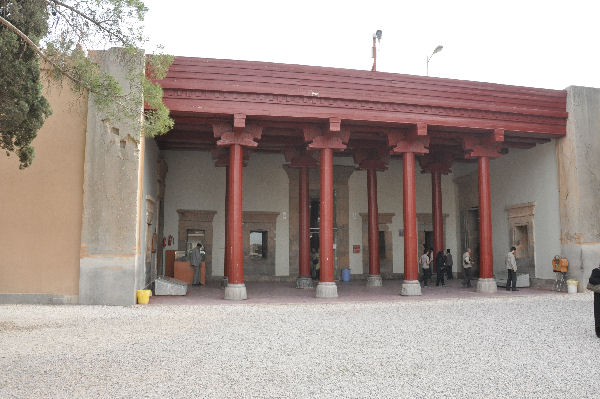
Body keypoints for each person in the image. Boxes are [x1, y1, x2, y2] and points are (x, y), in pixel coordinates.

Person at [587, 264, 600, 338]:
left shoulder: (596, 271)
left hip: (597, 295)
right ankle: (598, 331)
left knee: (598, 312)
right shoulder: (596, 271)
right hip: (598, 296)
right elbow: (591, 280)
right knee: (598, 312)